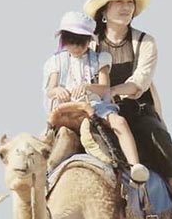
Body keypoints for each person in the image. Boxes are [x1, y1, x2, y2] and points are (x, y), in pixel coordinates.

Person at [84, 0, 172, 219]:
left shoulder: (146, 41)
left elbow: (139, 82)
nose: (126, 8)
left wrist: (111, 91)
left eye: (129, 3)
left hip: (136, 110)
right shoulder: (88, 42)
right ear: (104, 10)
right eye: (118, 3)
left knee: (160, 141)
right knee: (57, 141)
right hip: (95, 111)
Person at [44, 11, 149, 183]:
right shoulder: (57, 61)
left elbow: (104, 88)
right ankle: (44, 174)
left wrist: (87, 87)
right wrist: (58, 91)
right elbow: (51, 89)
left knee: (119, 122)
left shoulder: (100, 59)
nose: (77, 47)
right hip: (68, 109)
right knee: (47, 136)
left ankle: (134, 166)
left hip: (95, 107)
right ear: (64, 40)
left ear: (89, 41)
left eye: (81, 42)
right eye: (72, 42)